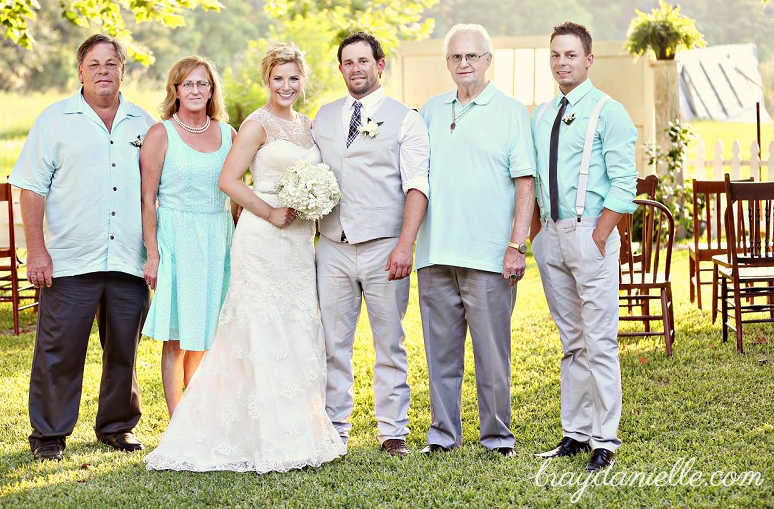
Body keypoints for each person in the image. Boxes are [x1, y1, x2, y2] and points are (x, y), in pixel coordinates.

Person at [144, 42, 346, 473]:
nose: (286, 86)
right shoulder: (255, 125)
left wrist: (314, 201)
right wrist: (271, 210)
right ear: (266, 80)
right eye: (278, 78)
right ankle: (244, 429)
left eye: (294, 78)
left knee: (295, 325)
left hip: (296, 242)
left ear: (303, 80)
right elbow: (229, 181)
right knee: (257, 326)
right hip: (262, 234)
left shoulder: (309, 127)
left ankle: (297, 424)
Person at [10, 33, 156, 461]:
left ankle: (117, 427)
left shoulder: (143, 123)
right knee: (59, 351)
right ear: (80, 71)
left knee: (123, 350)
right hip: (71, 259)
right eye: (94, 64)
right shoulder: (55, 120)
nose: (103, 72)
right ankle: (50, 434)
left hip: (129, 258)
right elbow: (32, 188)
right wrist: (37, 251)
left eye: (111, 64)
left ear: (123, 70)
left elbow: (157, 192)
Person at [414, 24, 535, 457]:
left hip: (488, 256)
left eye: (471, 56)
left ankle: (497, 438)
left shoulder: (510, 111)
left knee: (492, 357)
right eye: (455, 57)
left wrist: (515, 245)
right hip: (434, 253)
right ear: (447, 62)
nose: (463, 64)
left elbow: (525, 183)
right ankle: (443, 436)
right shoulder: (429, 110)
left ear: (487, 60)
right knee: (440, 356)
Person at [313, 31, 430, 457]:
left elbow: (417, 186)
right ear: (341, 68)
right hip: (331, 246)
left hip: (385, 247)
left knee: (389, 341)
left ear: (380, 65)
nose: (356, 68)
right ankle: (334, 428)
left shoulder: (406, 118)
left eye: (364, 60)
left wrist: (405, 245)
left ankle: (393, 431)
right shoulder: (322, 117)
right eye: (349, 62)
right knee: (332, 343)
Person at [530, 21, 637, 473]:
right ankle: (574, 432)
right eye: (555, 54)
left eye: (570, 54)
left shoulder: (608, 111)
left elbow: (624, 181)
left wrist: (599, 234)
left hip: (588, 232)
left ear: (589, 59)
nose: (561, 62)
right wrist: (535, 235)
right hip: (550, 235)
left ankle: (604, 440)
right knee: (571, 340)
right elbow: (534, 178)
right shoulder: (540, 113)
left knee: (599, 340)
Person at [140, 56, 236, 418]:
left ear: (212, 90)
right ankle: (176, 418)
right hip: (176, 238)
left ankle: (198, 414)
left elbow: (239, 191)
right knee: (178, 335)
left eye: (203, 84)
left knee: (207, 330)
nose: (196, 91)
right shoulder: (161, 134)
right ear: (176, 90)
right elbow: (147, 200)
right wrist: (153, 255)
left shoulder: (228, 134)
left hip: (218, 238)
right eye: (188, 84)